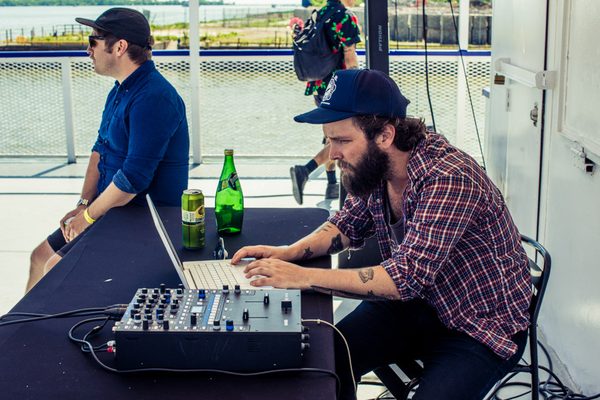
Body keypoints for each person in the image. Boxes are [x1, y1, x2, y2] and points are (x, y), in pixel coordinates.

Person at [232, 69, 532, 400]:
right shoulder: (376, 167)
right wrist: (289, 252)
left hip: (479, 325)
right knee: (326, 359)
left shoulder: (449, 178)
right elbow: (346, 224)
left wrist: (302, 277)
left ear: (385, 135)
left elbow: (406, 278)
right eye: (328, 140)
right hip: (418, 305)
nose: (333, 154)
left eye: (342, 140)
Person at [26, 8, 190, 292]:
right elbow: (99, 150)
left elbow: (132, 179)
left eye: (93, 41)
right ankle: (21, 323)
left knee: (56, 270)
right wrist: (83, 205)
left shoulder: (154, 97)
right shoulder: (120, 90)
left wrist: (88, 218)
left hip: (145, 218)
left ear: (120, 47)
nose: (88, 50)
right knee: (39, 257)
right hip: (112, 211)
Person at [290, 0, 361, 204]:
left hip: (320, 85)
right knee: (344, 139)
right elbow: (349, 54)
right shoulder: (344, 16)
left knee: (331, 135)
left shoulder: (321, 14)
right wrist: (357, 81)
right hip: (339, 85)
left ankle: (331, 185)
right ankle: (305, 170)